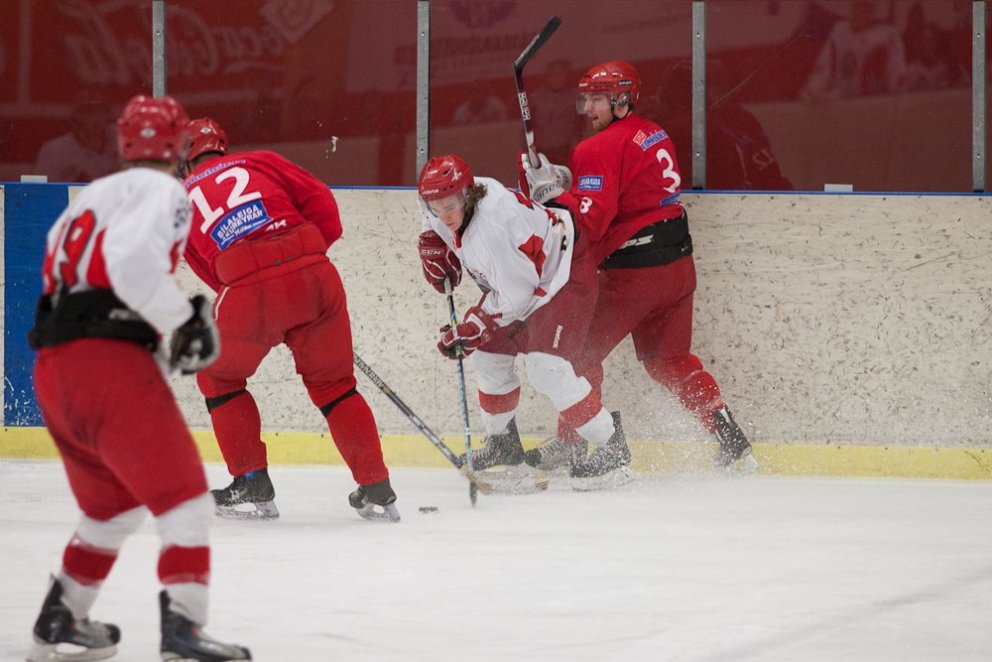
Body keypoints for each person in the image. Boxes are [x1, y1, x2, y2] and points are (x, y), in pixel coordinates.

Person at [26, 95, 250, 661]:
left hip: (54, 369)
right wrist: (186, 320)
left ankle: (61, 617)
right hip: (108, 365)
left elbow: (63, 282)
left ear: (124, 141)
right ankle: (183, 631)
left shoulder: (91, 197)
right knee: (186, 501)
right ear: (177, 144)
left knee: (112, 508)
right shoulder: (166, 190)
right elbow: (129, 269)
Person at [521, 60, 758, 473]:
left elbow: (591, 222)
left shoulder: (595, 147)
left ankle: (577, 444)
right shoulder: (653, 132)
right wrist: (566, 183)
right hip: (677, 269)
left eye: (597, 99)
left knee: (577, 357)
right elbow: (628, 189)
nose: (588, 108)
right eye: (586, 99)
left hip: (634, 276)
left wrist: (554, 196)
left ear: (622, 99)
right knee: (669, 360)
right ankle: (730, 438)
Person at [182, 118, 399, 522]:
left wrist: (262, 290)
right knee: (335, 386)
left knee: (217, 376)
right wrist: (303, 261)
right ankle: (377, 488)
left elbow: (208, 268)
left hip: (249, 289)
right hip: (314, 273)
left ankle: (251, 483)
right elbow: (323, 206)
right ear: (222, 147)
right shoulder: (260, 161)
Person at [417, 154, 631, 486]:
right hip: (524, 277)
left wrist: (473, 327)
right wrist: (431, 241)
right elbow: (431, 216)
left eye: (450, 206)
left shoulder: (491, 228)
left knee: (547, 368)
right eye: (436, 207)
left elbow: (516, 297)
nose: (443, 214)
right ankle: (503, 444)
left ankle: (611, 443)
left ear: (468, 194)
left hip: (562, 273)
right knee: (487, 353)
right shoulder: (449, 204)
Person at [800, 0, 907, 101]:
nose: (860, 14)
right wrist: (814, 87)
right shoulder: (839, 31)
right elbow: (824, 66)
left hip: (872, 100)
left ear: (873, 13)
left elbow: (896, 68)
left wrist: (898, 84)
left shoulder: (887, 36)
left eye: (865, 10)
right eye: (857, 8)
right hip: (839, 98)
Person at [33, 91, 118, 183]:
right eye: (87, 113)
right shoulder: (53, 150)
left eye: (100, 112)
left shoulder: (121, 138)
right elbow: (39, 187)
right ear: (74, 118)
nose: (95, 118)